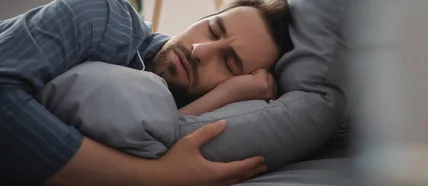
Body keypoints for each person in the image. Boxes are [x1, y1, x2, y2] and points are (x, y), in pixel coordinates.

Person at [0, 0, 292, 185]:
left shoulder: (166, 113)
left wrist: (224, 97)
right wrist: (156, 176)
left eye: (229, 63)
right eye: (213, 30)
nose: (200, 50)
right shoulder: (102, 16)